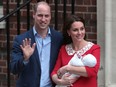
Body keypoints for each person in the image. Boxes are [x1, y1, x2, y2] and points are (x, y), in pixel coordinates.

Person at [10, 1, 63, 87]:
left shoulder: (58, 38)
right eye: (40, 15)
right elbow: (13, 69)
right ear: (34, 15)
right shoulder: (20, 40)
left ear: (50, 17)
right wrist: (25, 58)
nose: (43, 19)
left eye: (46, 16)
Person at [51, 15, 100, 87]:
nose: (80, 33)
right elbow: (54, 72)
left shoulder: (94, 48)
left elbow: (92, 72)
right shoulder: (64, 49)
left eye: (82, 29)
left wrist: (68, 68)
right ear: (68, 32)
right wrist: (60, 81)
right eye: (75, 30)